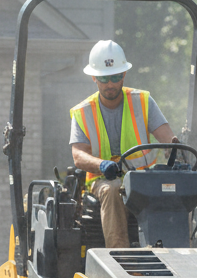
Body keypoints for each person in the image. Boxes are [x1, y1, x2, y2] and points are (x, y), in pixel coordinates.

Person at [69, 39, 179, 248]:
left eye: (116, 77)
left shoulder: (143, 101)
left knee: (173, 188)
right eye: (104, 78)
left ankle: (177, 253)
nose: (110, 83)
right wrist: (102, 165)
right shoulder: (83, 112)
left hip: (144, 177)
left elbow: (168, 139)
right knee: (113, 189)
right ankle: (120, 258)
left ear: (124, 75)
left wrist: (175, 152)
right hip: (104, 180)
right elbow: (78, 155)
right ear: (94, 77)